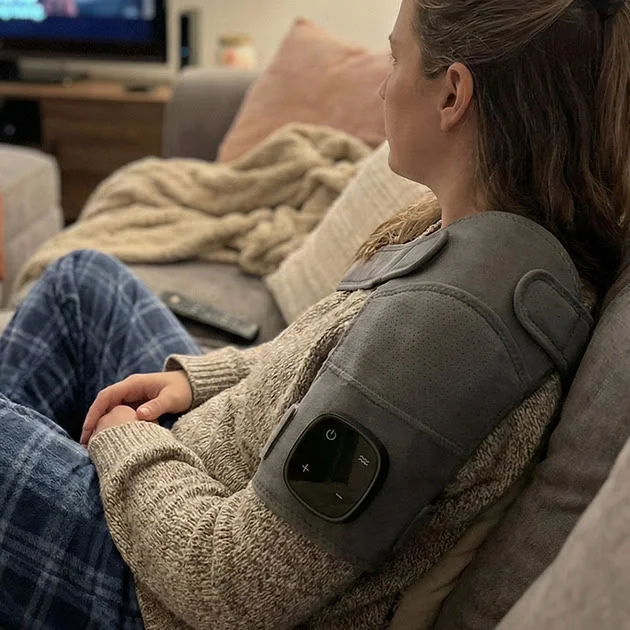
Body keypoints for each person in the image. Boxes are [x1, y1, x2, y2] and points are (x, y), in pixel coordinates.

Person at [0, 1, 628, 629]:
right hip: (200, 477)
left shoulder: (449, 337)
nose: (383, 86)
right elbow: (326, 358)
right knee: (83, 283)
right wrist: (202, 381)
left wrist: (122, 443)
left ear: (452, 95)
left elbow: (235, 587)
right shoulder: (491, 247)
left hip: (152, 591)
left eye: (396, 59)